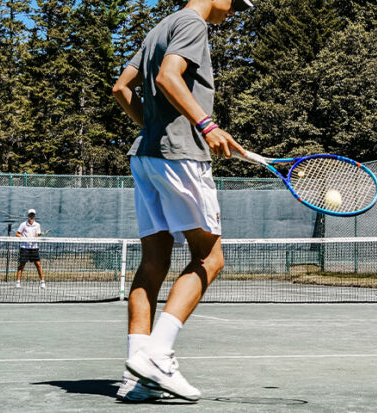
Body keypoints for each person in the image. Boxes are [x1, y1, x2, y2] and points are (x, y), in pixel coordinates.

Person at [112, 0, 252, 403]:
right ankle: (157, 356)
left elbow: (121, 89)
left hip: (146, 157)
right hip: (180, 158)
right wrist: (205, 125)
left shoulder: (160, 27)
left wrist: (155, 130)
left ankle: (136, 376)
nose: (235, 10)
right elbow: (169, 77)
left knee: (154, 260)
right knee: (211, 258)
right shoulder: (193, 24)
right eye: (236, 3)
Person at [15, 209, 46, 289]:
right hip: (24, 247)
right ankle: (18, 282)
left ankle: (42, 282)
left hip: (34, 248)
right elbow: (17, 234)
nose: (31, 217)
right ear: (28, 216)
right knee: (21, 265)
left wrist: (36, 236)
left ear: (34, 216)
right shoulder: (23, 224)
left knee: (38, 264)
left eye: (33, 215)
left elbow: (36, 235)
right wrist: (24, 238)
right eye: (30, 215)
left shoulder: (37, 225)